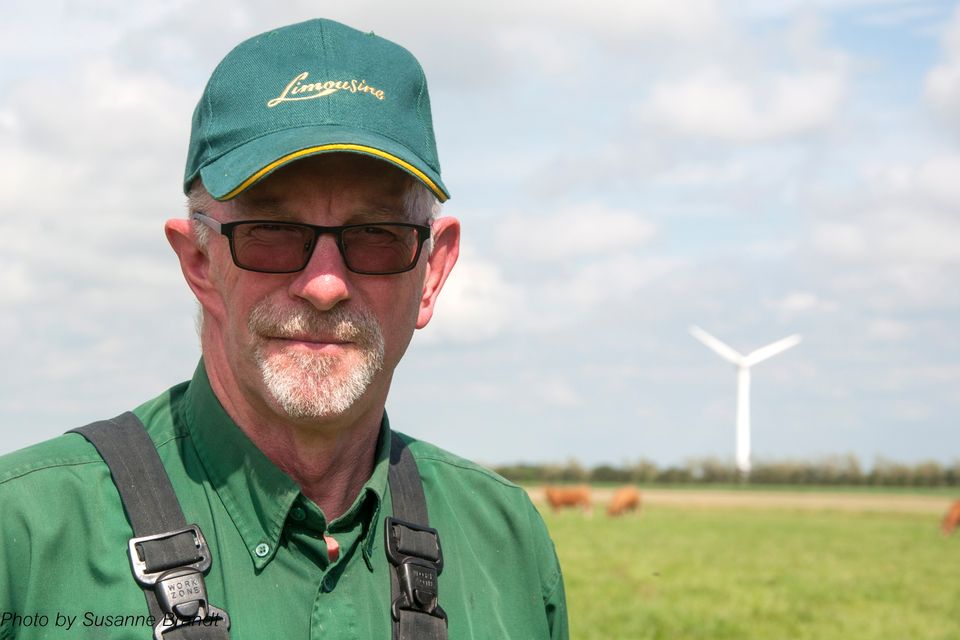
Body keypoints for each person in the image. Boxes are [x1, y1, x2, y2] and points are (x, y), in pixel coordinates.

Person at [0, 18, 568, 640]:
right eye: (271, 234)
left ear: (432, 272)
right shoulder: (27, 540)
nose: (325, 285)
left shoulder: (507, 546)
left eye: (376, 237)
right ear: (199, 263)